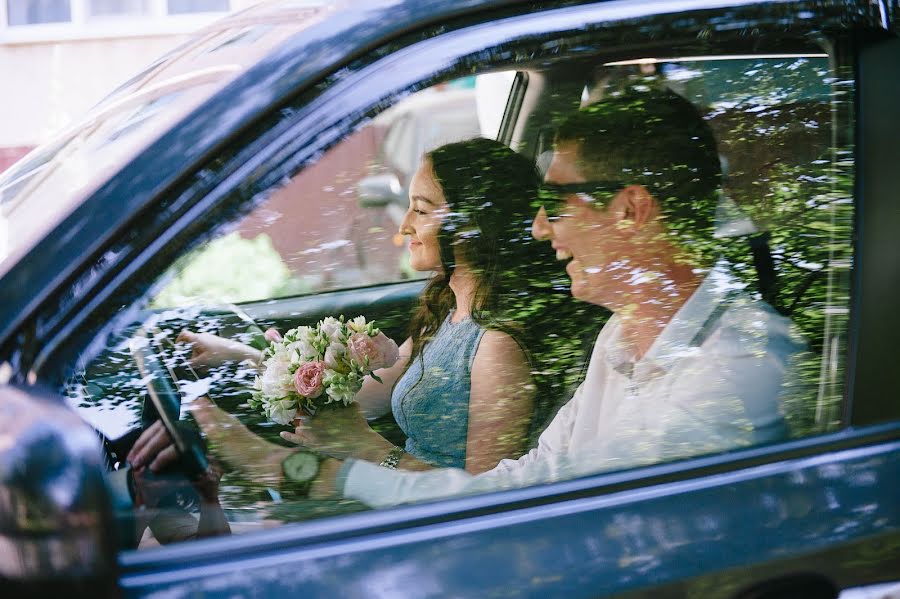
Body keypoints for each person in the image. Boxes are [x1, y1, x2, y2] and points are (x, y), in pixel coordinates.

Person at [285, 86, 809, 507]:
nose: (537, 229)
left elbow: (548, 508)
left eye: (555, 205)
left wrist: (328, 473)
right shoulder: (622, 336)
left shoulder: (739, 366)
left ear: (630, 211)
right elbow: (534, 478)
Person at [178, 138, 575, 474]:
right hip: (394, 499)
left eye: (420, 210)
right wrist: (248, 358)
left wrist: (370, 450)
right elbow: (365, 397)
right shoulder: (447, 315)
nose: (404, 226)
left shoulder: (498, 346)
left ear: (473, 225)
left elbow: (485, 495)